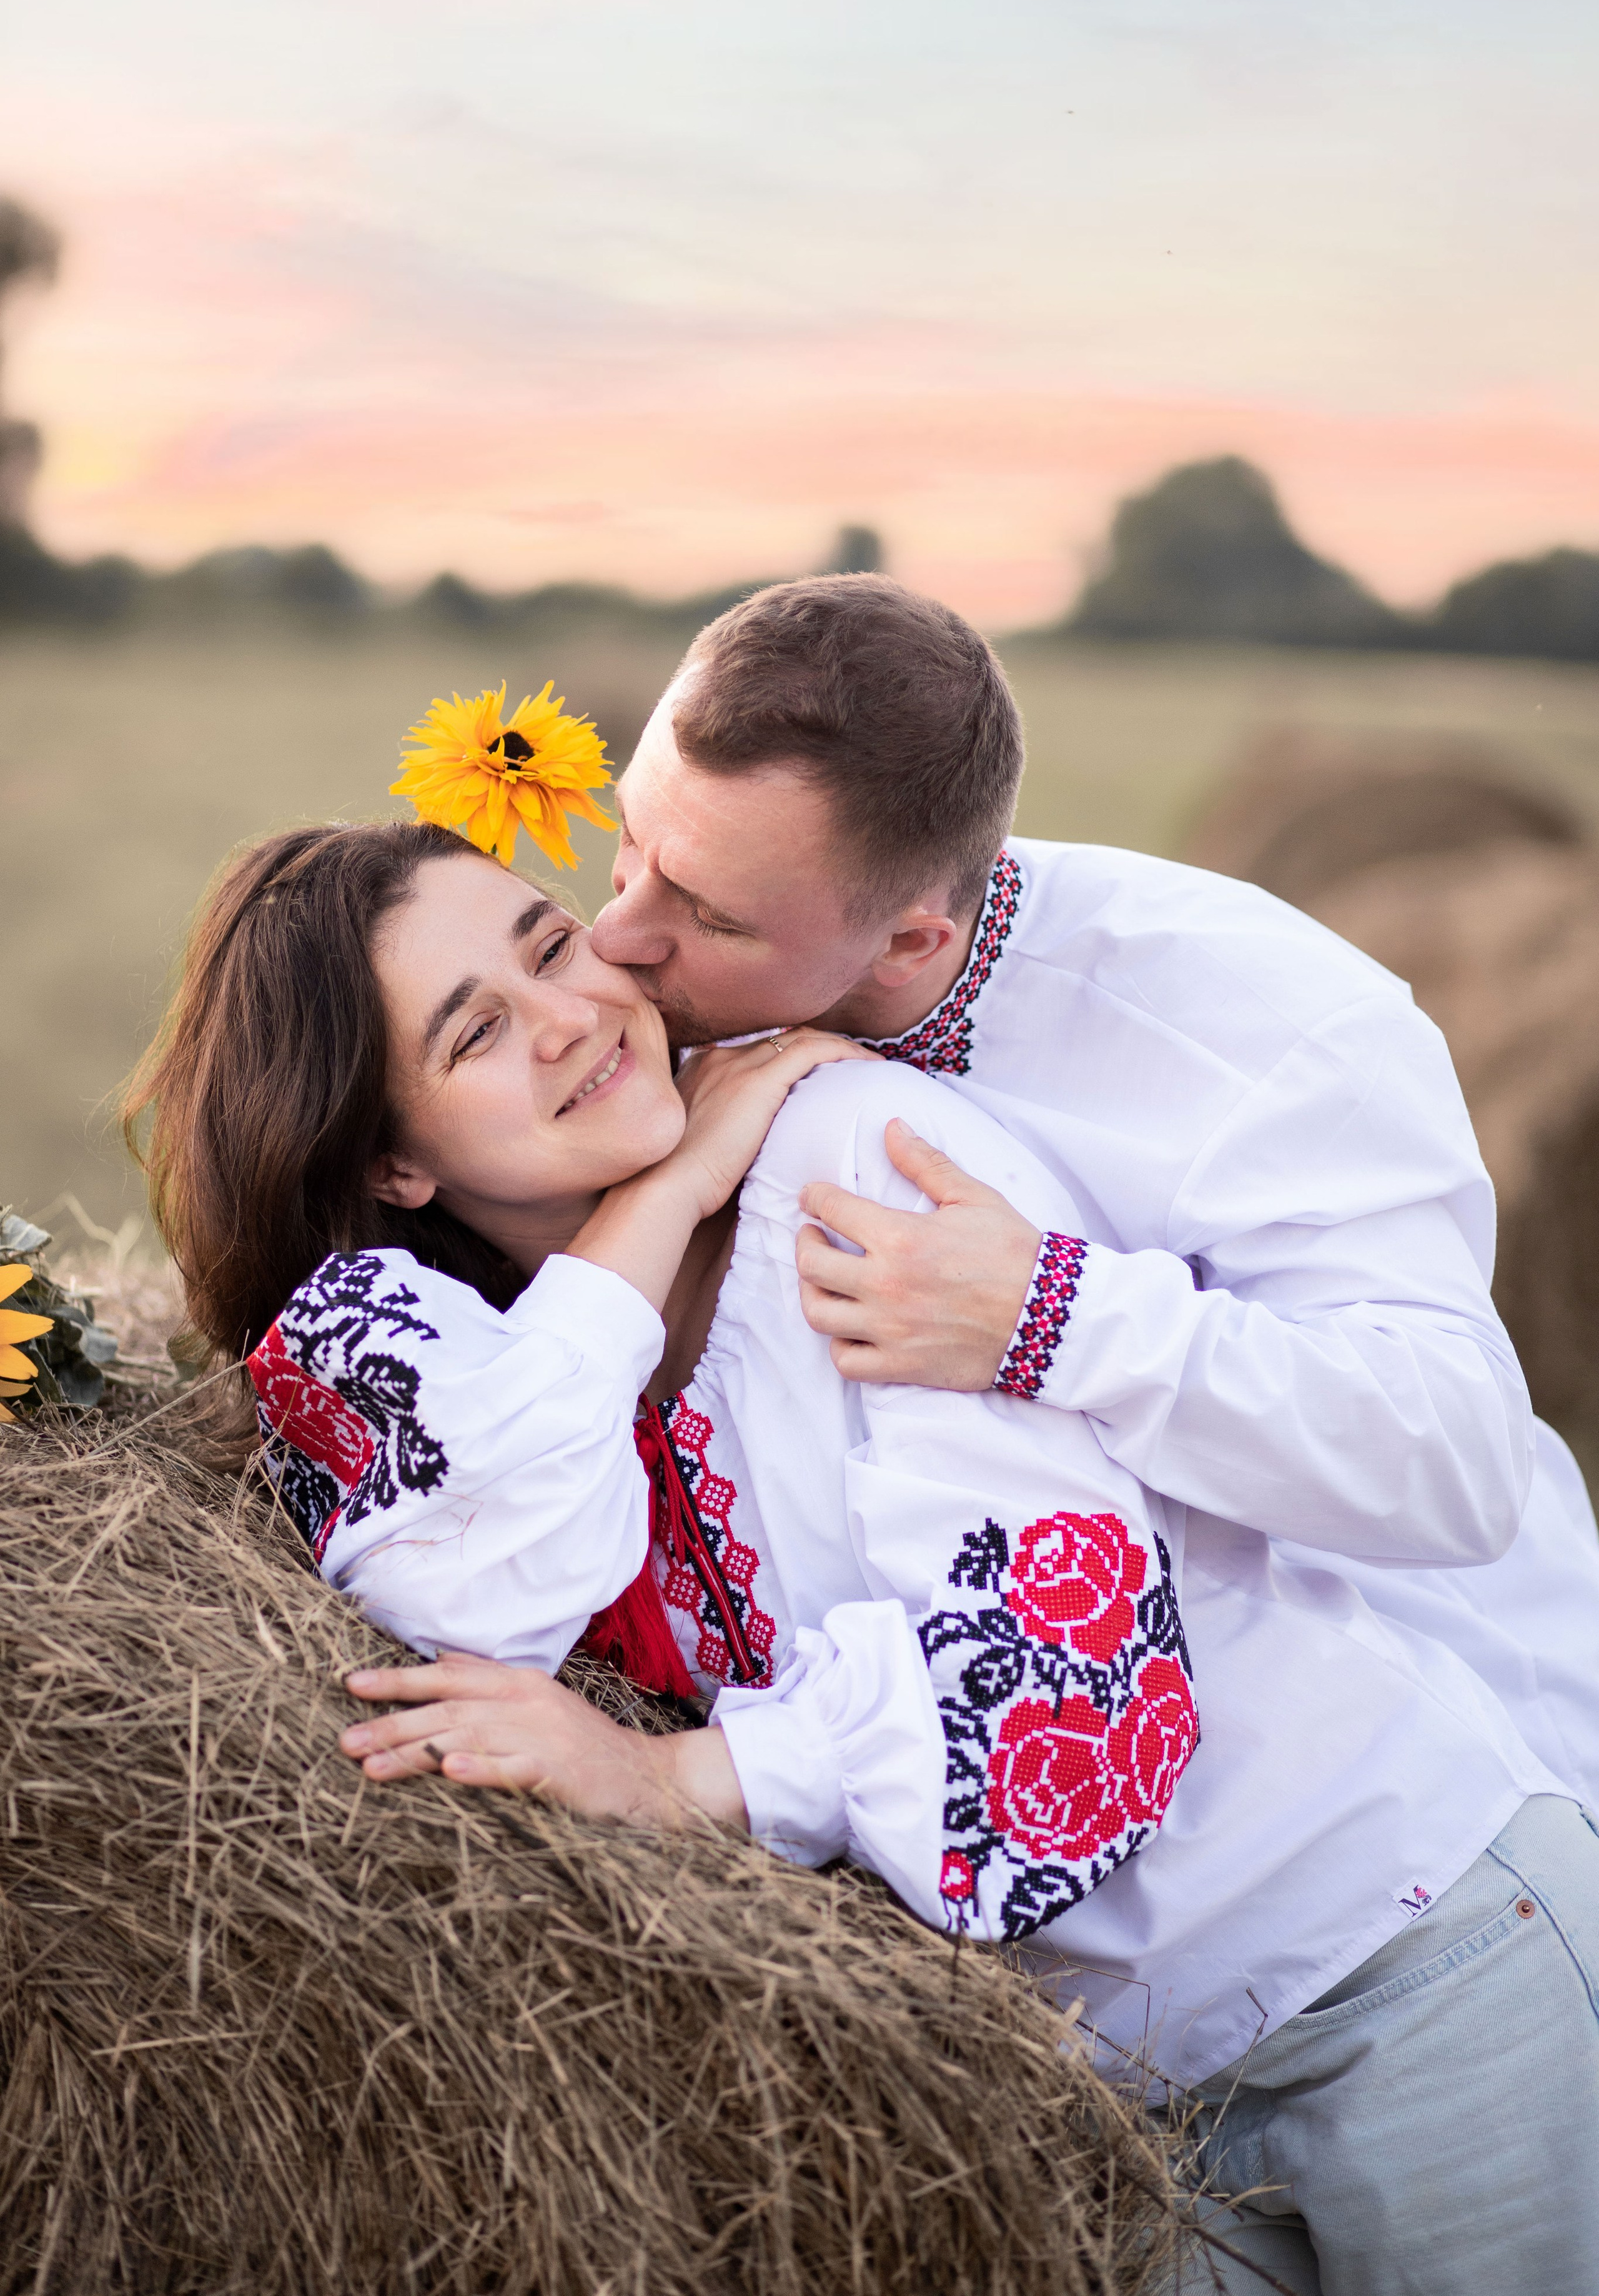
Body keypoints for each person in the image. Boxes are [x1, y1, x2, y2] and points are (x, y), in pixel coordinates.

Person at [127, 815, 1599, 2296]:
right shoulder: (414, 1349)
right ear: (390, 1160)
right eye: (480, 1030)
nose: (575, 1018)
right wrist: (659, 1199)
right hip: (1121, 2095)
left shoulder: (850, 1159)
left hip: (1401, 1958)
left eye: (552, 944)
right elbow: (462, 1583)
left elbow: (1056, 1685)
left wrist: (668, 1778)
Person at [581, 570, 1599, 1807]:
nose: (612, 936)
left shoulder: (1263, 1028)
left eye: (708, 916)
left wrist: (1051, 1318)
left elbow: (1456, 1464)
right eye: (629, 839)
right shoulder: (646, 1007)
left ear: (912, 941)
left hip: (1410, 1814)